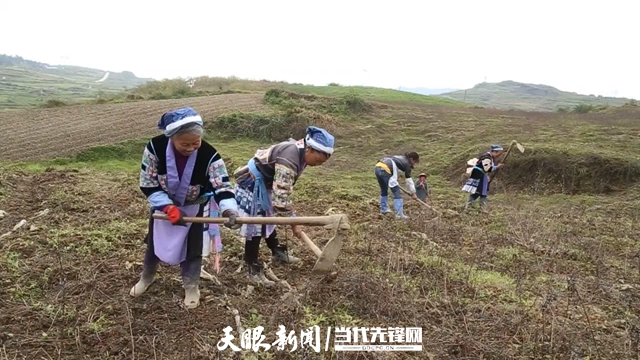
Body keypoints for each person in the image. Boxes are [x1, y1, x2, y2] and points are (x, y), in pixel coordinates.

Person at [130, 107, 240, 309]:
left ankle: (191, 286)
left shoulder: (209, 155)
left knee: (192, 249)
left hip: (194, 209)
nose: (191, 148)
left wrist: (229, 209)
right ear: (171, 137)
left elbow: (221, 185)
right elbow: (148, 182)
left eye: (195, 143)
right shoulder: (155, 148)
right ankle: (147, 277)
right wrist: (168, 208)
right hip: (163, 208)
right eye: (185, 144)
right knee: (154, 244)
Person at [233, 126, 335, 286]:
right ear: (309, 149)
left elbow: (282, 192)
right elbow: (280, 202)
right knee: (257, 225)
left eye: (322, 162)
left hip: (267, 184)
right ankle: (251, 266)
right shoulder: (289, 159)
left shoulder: (303, 151)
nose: (318, 165)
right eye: (318, 161)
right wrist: (294, 222)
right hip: (252, 183)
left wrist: (293, 219)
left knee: (268, 218)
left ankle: (277, 251)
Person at [374, 152, 420, 219]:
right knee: (397, 192)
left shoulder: (398, 158)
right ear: (412, 159)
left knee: (384, 190)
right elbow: (409, 180)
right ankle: (399, 214)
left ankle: (384, 209)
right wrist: (413, 193)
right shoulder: (407, 164)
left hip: (378, 167)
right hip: (387, 169)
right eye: (415, 162)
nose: (414, 164)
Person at [462, 144, 505, 212]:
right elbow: (487, 169)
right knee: (478, 192)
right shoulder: (486, 157)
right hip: (479, 176)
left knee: (482, 192)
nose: (499, 156)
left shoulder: (490, 157)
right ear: (494, 152)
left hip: (482, 176)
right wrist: (497, 167)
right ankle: (470, 208)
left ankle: (480, 209)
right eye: (499, 154)